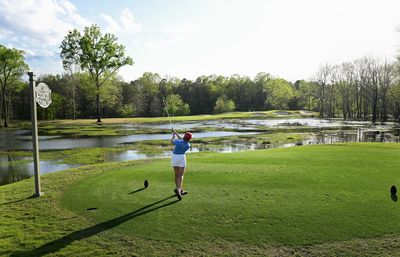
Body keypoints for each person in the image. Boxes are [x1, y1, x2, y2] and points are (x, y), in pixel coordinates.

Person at [170, 129, 192, 200]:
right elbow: (182, 139)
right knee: (181, 175)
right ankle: (179, 190)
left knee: (176, 174)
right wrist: (175, 132)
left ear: (184, 136)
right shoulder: (188, 145)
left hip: (174, 157)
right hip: (181, 157)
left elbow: (171, 141)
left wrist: (173, 136)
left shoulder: (178, 142)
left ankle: (178, 189)